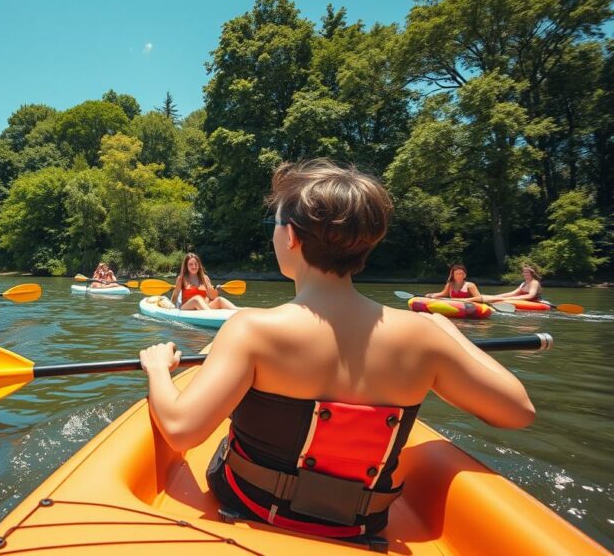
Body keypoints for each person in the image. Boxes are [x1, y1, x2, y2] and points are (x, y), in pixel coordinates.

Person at [138, 159, 534, 540]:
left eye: (273, 224)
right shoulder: (425, 335)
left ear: (290, 235)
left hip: (252, 503)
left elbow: (181, 431)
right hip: (364, 523)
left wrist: (158, 368)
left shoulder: (252, 329)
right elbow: (517, 411)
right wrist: (444, 329)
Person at [170, 253, 237, 310]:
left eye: (196, 264)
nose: (194, 266)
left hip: (205, 307)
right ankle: (211, 315)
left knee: (219, 299)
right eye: (191, 264)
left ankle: (240, 311)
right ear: (186, 266)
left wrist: (217, 289)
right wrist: (171, 309)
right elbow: (175, 297)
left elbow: (212, 297)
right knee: (196, 299)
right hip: (187, 308)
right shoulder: (181, 279)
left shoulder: (205, 278)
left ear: (199, 265)